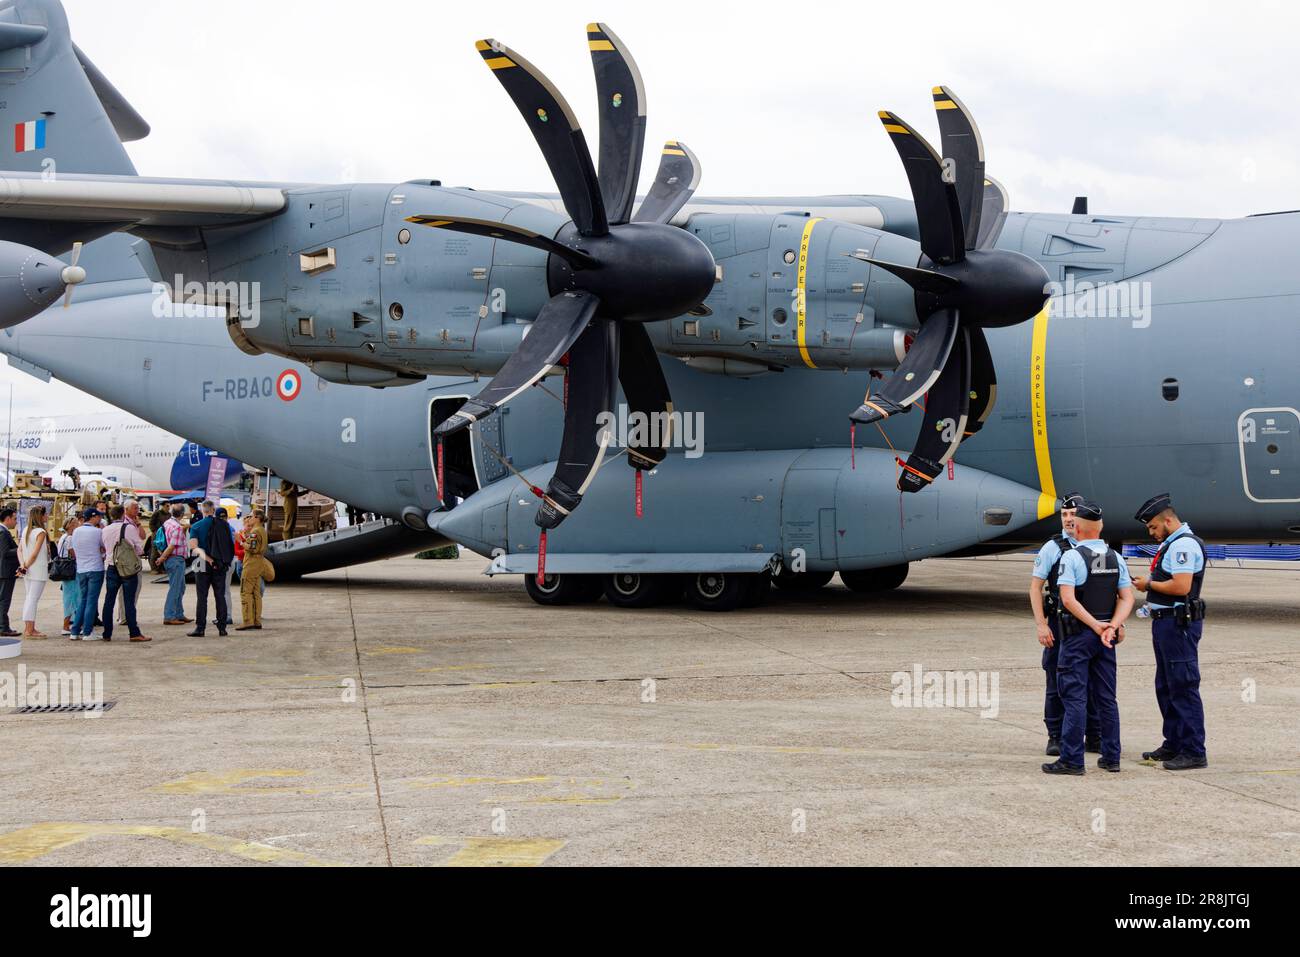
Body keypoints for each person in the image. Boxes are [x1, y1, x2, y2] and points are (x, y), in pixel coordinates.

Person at [1042, 501, 1134, 775]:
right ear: (1101, 527)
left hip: (1079, 635)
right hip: (1107, 638)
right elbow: (1127, 597)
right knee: (1107, 698)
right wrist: (1112, 627)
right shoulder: (1115, 557)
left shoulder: (1071, 557)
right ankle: (1111, 756)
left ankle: (1071, 759)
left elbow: (1068, 600)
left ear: (1078, 529)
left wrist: (1095, 625)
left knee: (1074, 698)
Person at [1132, 492, 1209, 771]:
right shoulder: (1173, 544)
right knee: (1166, 685)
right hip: (1166, 623)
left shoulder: (1183, 546)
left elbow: (1181, 587)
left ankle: (1193, 750)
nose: (1151, 533)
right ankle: (1174, 742)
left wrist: (1148, 585)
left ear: (1167, 520)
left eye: (1153, 527)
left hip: (1178, 625)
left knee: (1183, 686)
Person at [1029, 492, 1103, 756]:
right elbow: (1035, 588)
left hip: (1091, 625)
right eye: (1064, 515)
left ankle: (1094, 735)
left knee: (1094, 681)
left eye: (1073, 514)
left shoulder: (1097, 548)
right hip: (1060, 625)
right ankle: (1056, 735)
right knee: (1056, 681)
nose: (1069, 520)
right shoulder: (1053, 548)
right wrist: (1041, 625)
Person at [100, 504, 149, 643]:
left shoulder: (105, 529)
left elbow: (104, 548)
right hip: (127, 568)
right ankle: (134, 633)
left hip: (111, 566)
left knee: (109, 600)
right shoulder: (129, 528)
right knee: (129, 601)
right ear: (123, 514)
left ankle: (107, 633)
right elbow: (139, 548)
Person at [187, 504, 234, 638]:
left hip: (201, 563)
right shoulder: (224, 525)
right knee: (220, 595)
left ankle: (200, 628)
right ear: (213, 510)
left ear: (203, 510)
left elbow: (193, 547)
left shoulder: (196, 526)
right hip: (219, 564)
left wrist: (207, 559)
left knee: (202, 597)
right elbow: (229, 545)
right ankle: (222, 628)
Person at [68, 507, 106, 640]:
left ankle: (75, 631)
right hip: (95, 568)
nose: (100, 519)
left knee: (82, 600)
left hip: (81, 569)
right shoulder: (97, 532)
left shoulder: (76, 531)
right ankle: (88, 631)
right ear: (93, 517)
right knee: (91, 601)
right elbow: (103, 546)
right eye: (99, 516)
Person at [19, 505, 50, 638]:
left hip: (28, 570)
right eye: (46, 514)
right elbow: (35, 554)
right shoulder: (41, 532)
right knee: (33, 599)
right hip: (38, 569)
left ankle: (29, 628)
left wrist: (23, 566)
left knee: (29, 598)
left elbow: (19, 550)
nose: (47, 516)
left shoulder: (26, 530)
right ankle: (30, 630)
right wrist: (24, 566)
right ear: (41, 516)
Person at [237, 509, 271, 630]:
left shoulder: (255, 531)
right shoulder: (262, 530)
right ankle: (256, 620)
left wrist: (240, 541)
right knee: (256, 593)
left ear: (257, 518)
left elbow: (252, 548)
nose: (249, 518)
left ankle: (247, 620)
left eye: (251, 516)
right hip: (258, 564)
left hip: (251, 564)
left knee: (245, 592)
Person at [159, 503, 191, 625]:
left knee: (180, 587)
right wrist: (162, 557)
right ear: (182, 514)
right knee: (175, 588)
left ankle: (178, 613)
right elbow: (172, 545)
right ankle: (169, 615)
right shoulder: (177, 527)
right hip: (176, 559)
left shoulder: (167, 523)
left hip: (173, 559)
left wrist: (162, 556)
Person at [0, 507, 24, 637]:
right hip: (5, 572)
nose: (16, 522)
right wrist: (21, 549)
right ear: (7, 519)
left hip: (3, 571)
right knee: (4, 600)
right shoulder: (3, 532)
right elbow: (4, 553)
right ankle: (3, 627)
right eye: (14, 519)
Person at [58, 515, 82, 637]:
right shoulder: (70, 538)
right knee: (73, 597)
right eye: (77, 523)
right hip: (71, 571)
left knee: (69, 597)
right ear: (71, 526)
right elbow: (74, 555)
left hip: (64, 571)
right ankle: (66, 625)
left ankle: (69, 624)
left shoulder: (63, 537)